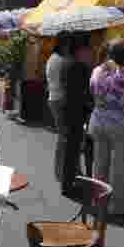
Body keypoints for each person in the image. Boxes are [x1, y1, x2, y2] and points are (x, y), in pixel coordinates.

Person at [87, 38, 124, 216]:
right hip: (120, 124)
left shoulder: (97, 70)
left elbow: (92, 91)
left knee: (99, 163)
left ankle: (98, 201)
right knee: (119, 166)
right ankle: (117, 206)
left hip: (98, 120)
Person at [62, 36, 93, 196]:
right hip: (77, 112)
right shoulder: (80, 68)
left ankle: (67, 182)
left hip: (68, 110)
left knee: (70, 148)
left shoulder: (66, 64)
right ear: (80, 50)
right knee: (72, 149)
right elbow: (85, 93)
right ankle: (68, 184)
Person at [46, 35, 75, 183]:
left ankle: (59, 170)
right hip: (59, 99)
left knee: (61, 136)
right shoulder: (61, 61)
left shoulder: (52, 58)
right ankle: (61, 171)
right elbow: (64, 83)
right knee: (63, 137)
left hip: (53, 97)